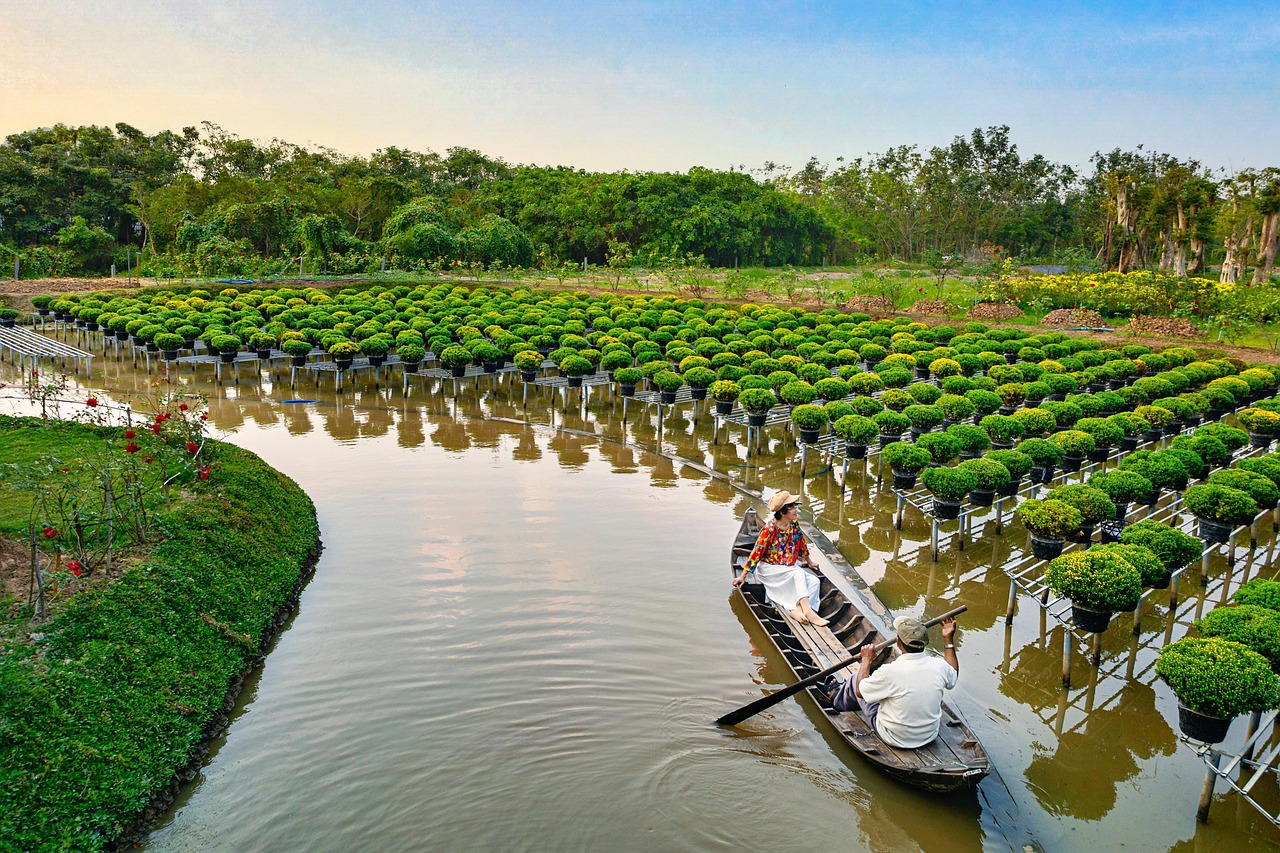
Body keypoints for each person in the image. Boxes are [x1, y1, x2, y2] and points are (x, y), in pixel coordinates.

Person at [830, 615, 959, 749]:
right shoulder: (939, 666)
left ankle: (836, 701)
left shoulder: (889, 671)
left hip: (893, 736)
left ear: (898, 641)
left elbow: (859, 691)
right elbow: (953, 673)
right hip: (928, 735)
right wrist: (948, 638)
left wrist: (866, 660)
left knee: (855, 680)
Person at [732, 491, 827, 626]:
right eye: (792, 507)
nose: (796, 509)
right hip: (770, 569)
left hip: (788, 568)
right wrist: (743, 576)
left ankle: (798, 610)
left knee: (814, 582)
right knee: (799, 573)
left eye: (795, 505)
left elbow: (801, 543)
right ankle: (809, 612)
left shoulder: (793, 524)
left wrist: (809, 562)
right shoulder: (769, 530)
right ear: (782, 513)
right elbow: (756, 553)